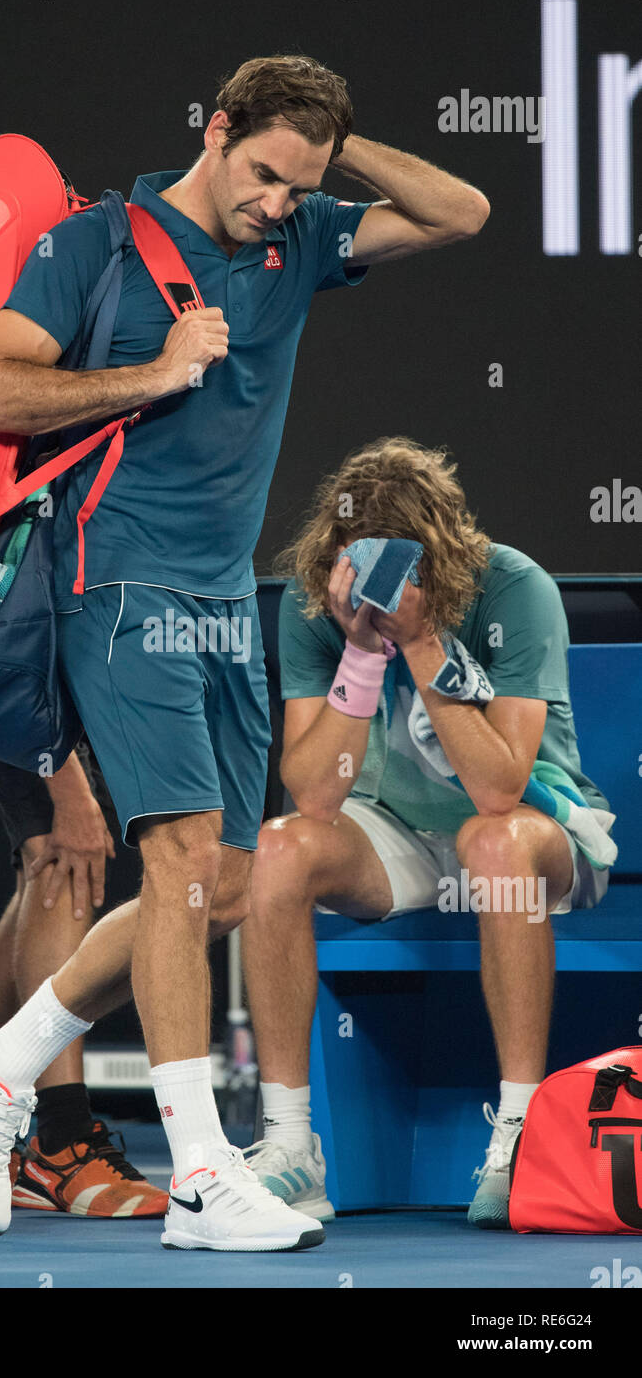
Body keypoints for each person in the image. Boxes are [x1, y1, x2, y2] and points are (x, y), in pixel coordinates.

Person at [0, 53, 490, 1252]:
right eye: (265, 174)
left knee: (218, 889)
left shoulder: (303, 236)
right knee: (176, 855)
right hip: (115, 584)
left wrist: (344, 142)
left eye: (303, 183)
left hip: (227, 600)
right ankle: (199, 1173)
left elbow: (464, 213)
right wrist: (153, 372)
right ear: (216, 130)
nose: (277, 203)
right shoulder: (96, 244)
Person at [240, 436, 617, 1228]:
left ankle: (516, 1136)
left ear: (440, 554)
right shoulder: (322, 608)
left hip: (542, 833)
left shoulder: (513, 587)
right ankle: (288, 1147)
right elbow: (311, 797)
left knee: (493, 842)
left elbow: (499, 786)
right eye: (360, 562)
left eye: (399, 565)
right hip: (401, 835)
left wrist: (419, 644)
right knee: (277, 847)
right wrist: (360, 654)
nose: (378, 587)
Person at [0, 741, 168, 1219]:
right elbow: (22, 677)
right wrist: (69, 795)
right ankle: (61, 1143)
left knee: (45, 869)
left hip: (55, 699)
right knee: (61, 854)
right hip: (21, 694)